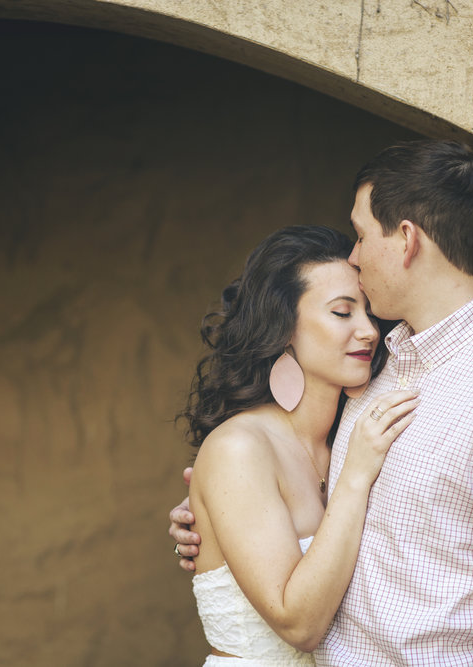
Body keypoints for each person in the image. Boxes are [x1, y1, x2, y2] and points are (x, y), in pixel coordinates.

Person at [171, 140, 473, 665]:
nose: (354, 254)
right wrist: (211, 516)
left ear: (406, 240)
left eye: (362, 235)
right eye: (342, 312)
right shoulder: (383, 371)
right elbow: (286, 487)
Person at [179, 224, 419, 666]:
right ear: (285, 327)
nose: (368, 330)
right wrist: (354, 478)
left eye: (369, 312)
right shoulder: (240, 449)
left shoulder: (352, 435)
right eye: (343, 312)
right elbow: (300, 626)